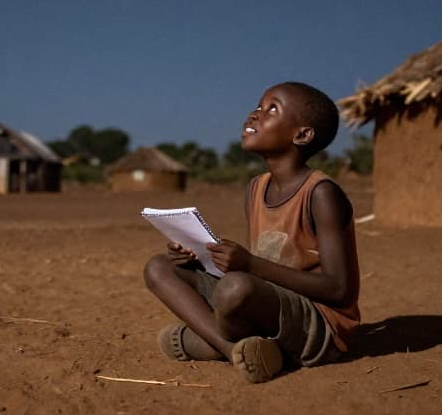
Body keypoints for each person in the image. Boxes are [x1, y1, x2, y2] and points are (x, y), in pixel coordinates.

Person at [143, 82, 361, 383]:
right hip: (267, 301)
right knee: (159, 267)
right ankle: (235, 350)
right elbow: (256, 267)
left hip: (319, 324)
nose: (254, 114)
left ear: (302, 135)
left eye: (272, 109)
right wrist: (197, 257)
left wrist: (249, 265)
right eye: (258, 106)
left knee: (233, 291)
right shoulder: (256, 189)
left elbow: (340, 290)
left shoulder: (321, 194)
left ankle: (210, 342)